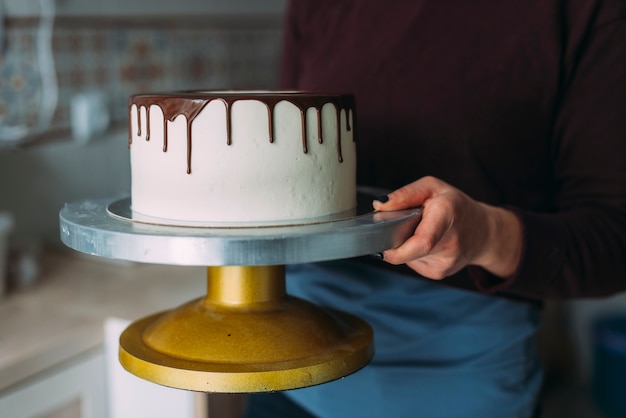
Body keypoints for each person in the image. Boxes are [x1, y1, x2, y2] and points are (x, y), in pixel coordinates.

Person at [244, 1, 626, 417]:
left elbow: (614, 237)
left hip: (457, 386)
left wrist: (488, 234)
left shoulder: (584, 11)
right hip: (288, 368)